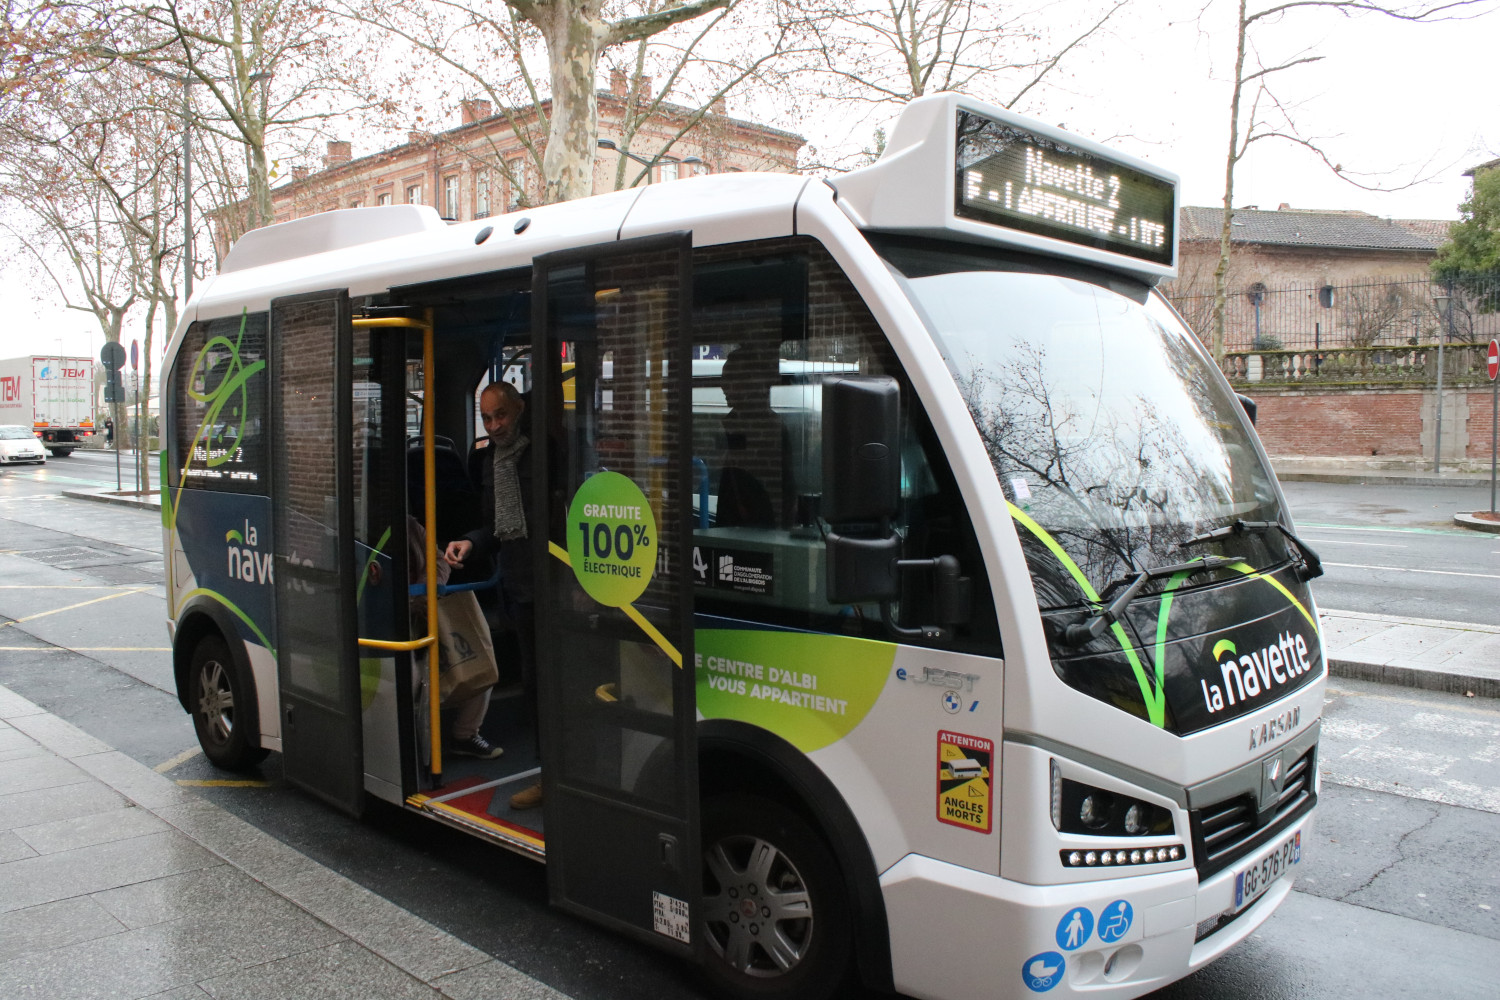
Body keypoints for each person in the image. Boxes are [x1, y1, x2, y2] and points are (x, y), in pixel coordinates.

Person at [444, 380, 541, 807]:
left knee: (550, 688)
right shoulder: (490, 460)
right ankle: (547, 773)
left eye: (501, 414)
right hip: (518, 584)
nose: (494, 424)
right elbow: (496, 528)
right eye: (486, 417)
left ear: (519, 409)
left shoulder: (542, 452)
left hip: (553, 581)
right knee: (535, 689)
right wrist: (472, 542)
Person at [410, 516, 502, 759]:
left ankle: (465, 734)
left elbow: (439, 561)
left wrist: (423, 596)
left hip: (424, 610)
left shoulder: (409, 525)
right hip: (398, 624)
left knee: (479, 664)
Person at [716, 346, 796, 529]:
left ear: (749, 383)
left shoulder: (769, 430)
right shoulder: (734, 425)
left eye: (729, 379)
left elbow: (784, 494)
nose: (722, 386)